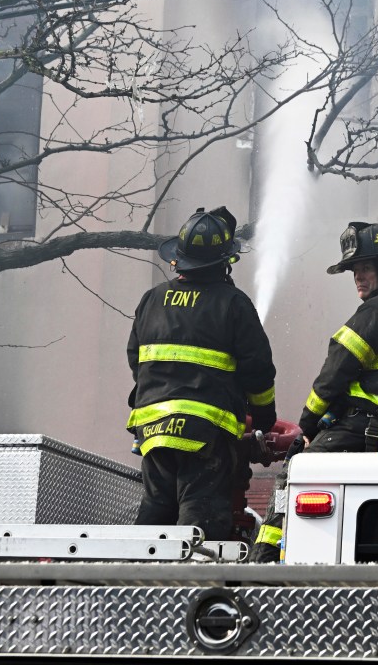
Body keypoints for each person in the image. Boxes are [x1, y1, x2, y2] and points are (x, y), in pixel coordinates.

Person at [248, 221, 378, 561]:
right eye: (355, 270)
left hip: (362, 428)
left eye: (366, 268)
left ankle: (263, 560)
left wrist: (305, 428)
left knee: (295, 474)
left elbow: (335, 373)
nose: (358, 277)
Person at [127, 206, 276, 542]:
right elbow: (258, 371)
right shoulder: (234, 304)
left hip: (152, 429)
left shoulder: (151, 299)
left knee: (156, 511)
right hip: (205, 434)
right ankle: (191, 590)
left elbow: (136, 359)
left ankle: (139, 586)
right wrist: (264, 419)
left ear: (179, 259)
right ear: (225, 262)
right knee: (201, 517)